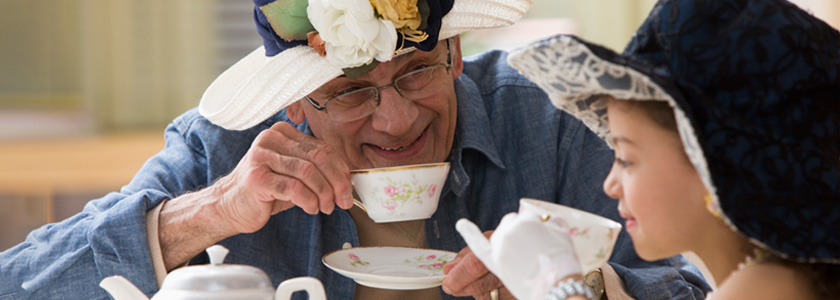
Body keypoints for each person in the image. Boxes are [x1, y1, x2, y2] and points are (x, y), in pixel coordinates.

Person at [0, 0, 711, 299]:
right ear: (291, 101)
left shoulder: (550, 123)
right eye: (348, 92)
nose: (396, 119)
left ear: (456, 55)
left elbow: (698, 286)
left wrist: (573, 288)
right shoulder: (227, 153)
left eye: (418, 72)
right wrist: (209, 213)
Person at [458, 0, 840, 299]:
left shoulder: (768, 287)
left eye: (626, 159)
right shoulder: (771, 274)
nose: (609, 184)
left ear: (713, 165)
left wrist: (555, 280)